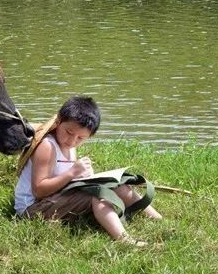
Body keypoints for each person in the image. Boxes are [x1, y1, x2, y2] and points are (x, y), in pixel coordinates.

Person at [14, 96, 162, 246]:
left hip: (54, 199)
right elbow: (39, 190)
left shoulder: (69, 147)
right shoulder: (48, 146)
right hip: (32, 210)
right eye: (69, 132)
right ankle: (125, 240)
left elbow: (64, 181)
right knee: (98, 195)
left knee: (119, 186)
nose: (72, 141)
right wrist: (72, 173)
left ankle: (157, 219)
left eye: (80, 138)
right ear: (58, 122)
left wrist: (85, 177)